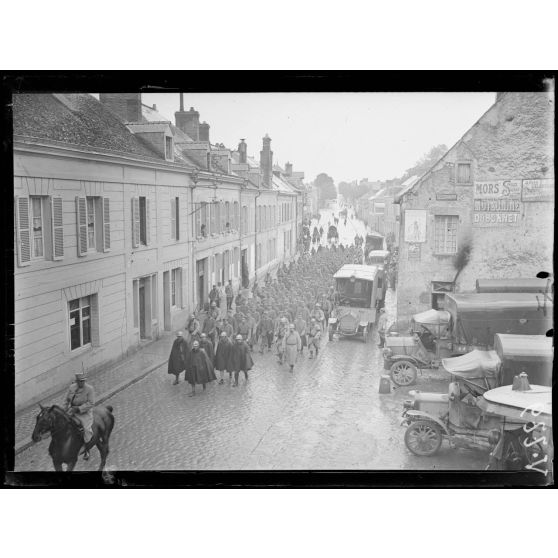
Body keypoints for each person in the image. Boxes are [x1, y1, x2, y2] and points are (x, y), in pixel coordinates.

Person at [64, 371, 95, 460]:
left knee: (85, 429)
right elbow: (66, 400)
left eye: (83, 381)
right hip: (72, 411)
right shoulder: (72, 387)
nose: (81, 383)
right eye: (79, 381)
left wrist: (78, 409)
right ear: (76, 381)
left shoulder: (90, 389)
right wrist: (64, 410)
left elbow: (91, 403)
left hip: (84, 413)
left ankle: (87, 450)